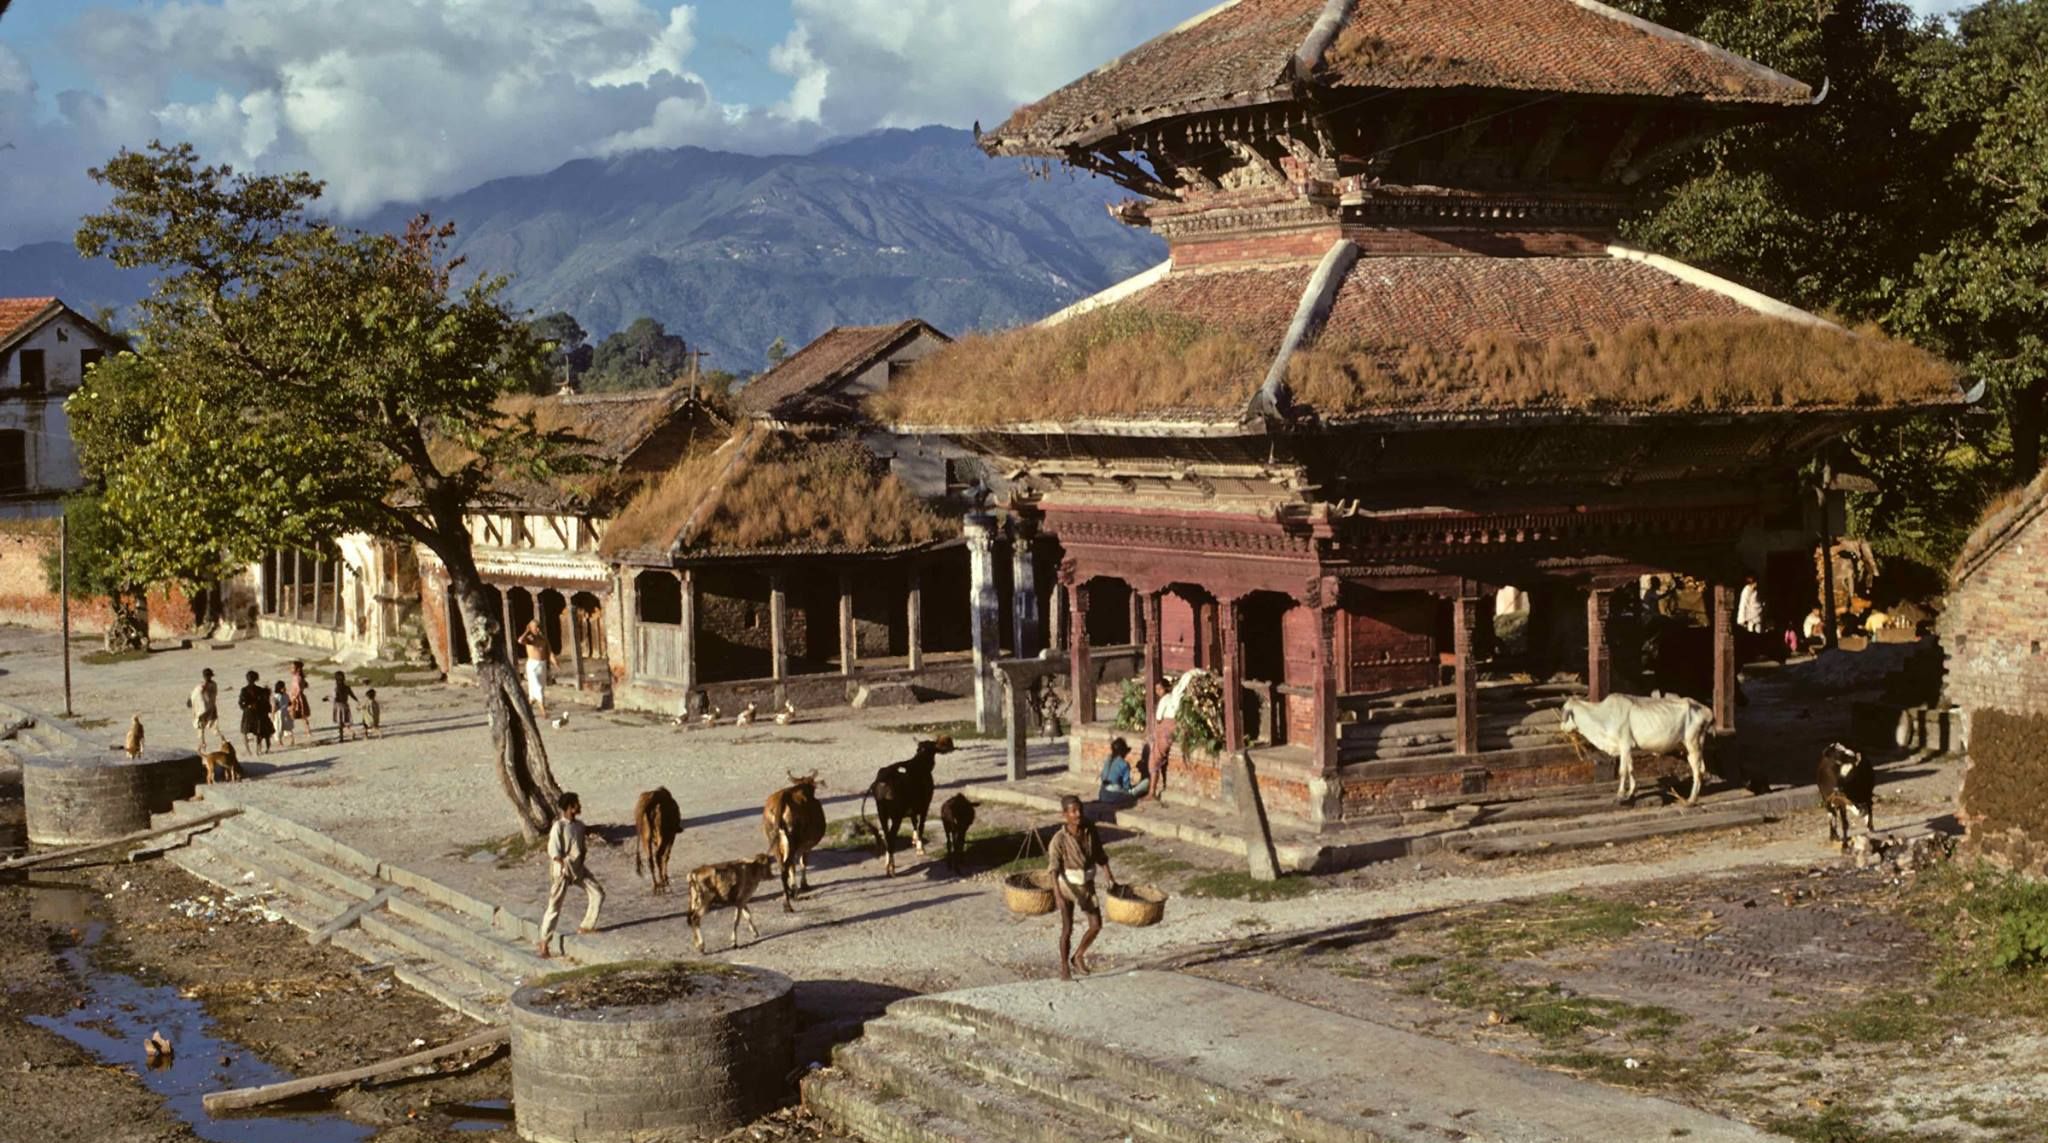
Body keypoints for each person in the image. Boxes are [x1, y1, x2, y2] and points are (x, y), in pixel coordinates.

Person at [1048, 794, 1115, 981]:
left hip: (1086, 882)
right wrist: (1058, 895)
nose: (1078, 814)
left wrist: (1109, 874)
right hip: (1067, 885)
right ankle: (1064, 967)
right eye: (1074, 811)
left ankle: (1077, 955)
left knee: (1096, 925)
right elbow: (1053, 869)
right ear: (1065, 815)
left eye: (1080, 810)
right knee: (1067, 928)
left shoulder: (1089, 829)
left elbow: (1100, 853)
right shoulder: (1059, 839)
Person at [538, 792, 604, 958]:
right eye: (576, 804)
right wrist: (562, 866)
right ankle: (544, 942)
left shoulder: (580, 826)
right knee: (555, 906)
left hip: (578, 868)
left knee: (597, 893)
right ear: (570, 807)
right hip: (563, 871)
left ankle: (587, 925)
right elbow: (554, 850)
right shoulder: (558, 826)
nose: (579, 806)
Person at [518, 619, 556, 719]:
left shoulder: (543, 639)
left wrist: (554, 662)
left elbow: (549, 652)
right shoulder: (530, 639)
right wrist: (527, 631)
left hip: (542, 665)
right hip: (533, 666)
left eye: (539, 627)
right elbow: (520, 640)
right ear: (531, 628)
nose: (538, 629)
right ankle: (543, 711)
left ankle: (526, 710)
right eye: (536, 627)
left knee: (535, 692)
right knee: (538, 688)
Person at [1098, 736, 1148, 801]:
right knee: (1146, 783)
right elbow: (1126, 786)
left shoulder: (1107, 759)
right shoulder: (1124, 764)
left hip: (1102, 793)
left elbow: (1103, 777)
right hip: (1114, 794)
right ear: (1123, 752)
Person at [236, 670, 272, 754]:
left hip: (248, 712)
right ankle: (258, 750)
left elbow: (241, 702)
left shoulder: (244, 690)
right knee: (257, 732)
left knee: (244, 732)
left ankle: (248, 750)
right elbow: (265, 701)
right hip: (258, 712)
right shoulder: (260, 690)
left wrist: (245, 707)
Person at [188, 668, 220, 751]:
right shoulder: (200, 686)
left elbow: (212, 696)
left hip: (210, 708)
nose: (207, 678)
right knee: (201, 726)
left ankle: (220, 740)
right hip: (204, 709)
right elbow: (194, 695)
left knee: (212, 725)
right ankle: (202, 744)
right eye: (206, 676)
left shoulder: (212, 685)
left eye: (208, 676)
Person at [330, 670, 358, 744]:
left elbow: (334, 698)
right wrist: (357, 700)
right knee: (345, 722)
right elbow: (352, 695)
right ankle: (350, 732)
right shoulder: (347, 687)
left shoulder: (336, 688)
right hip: (345, 705)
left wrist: (327, 699)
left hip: (338, 706)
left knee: (340, 723)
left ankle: (341, 738)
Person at [286, 660, 312, 738]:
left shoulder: (297, 678)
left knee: (292, 715)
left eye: (293, 668)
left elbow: (298, 689)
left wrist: (293, 698)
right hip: (297, 697)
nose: (291, 669)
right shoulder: (297, 677)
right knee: (302, 716)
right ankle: (308, 731)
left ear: (298, 669)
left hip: (296, 698)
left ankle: (289, 731)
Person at [271, 680, 295, 748]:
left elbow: (289, 703)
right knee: (278, 728)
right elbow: (274, 706)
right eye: (283, 687)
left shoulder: (285, 695)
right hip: (279, 714)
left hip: (285, 713)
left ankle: (292, 740)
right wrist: (273, 714)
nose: (284, 688)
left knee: (288, 727)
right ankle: (280, 742)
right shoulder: (277, 696)